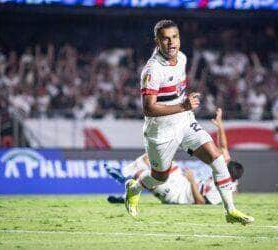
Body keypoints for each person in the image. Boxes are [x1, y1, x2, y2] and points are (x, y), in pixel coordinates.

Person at [125, 20, 253, 225]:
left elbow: (177, 92)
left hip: (184, 122)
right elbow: (148, 108)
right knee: (160, 177)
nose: (171, 42)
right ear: (157, 41)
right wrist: (183, 106)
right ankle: (134, 187)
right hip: (161, 130)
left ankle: (231, 211)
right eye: (165, 38)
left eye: (174, 37)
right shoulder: (152, 70)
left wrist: (184, 103)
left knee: (217, 158)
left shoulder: (182, 58)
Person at [106, 108, 244, 205]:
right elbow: (224, 148)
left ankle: (126, 182)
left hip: (179, 195)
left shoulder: (223, 189)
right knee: (156, 158)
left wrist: (192, 181)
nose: (223, 165)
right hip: (182, 182)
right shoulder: (227, 171)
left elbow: (200, 202)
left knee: (146, 175)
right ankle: (124, 178)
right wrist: (220, 126)